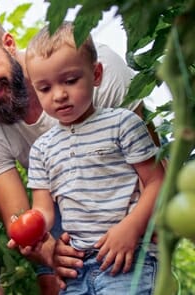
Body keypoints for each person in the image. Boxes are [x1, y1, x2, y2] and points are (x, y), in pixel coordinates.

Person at [0, 4, 158, 293]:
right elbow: (20, 214)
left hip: (120, 189)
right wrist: (48, 250)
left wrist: (137, 229)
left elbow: (151, 164)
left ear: (9, 44)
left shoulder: (91, 67)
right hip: (57, 200)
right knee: (55, 279)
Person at [18, 22, 165, 294]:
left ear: (96, 74)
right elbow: (44, 210)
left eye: (70, 81)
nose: (59, 95)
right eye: (45, 88)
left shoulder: (123, 124)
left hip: (127, 258)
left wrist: (131, 229)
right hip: (77, 266)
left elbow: (157, 181)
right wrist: (30, 229)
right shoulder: (41, 149)